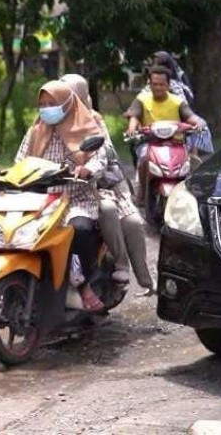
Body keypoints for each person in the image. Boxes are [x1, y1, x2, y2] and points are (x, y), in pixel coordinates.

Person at [14, 81, 108, 312]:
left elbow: (100, 158)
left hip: (76, 198)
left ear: (67, 103)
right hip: (41, 199)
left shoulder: (87, 128)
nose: (46, 109)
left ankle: (82, 285)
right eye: (42, 104)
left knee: (80, 230)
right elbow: (20, 162)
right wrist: (5, 176)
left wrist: (88, 169)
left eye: (52, 104)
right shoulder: (36, 130)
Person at [61, 74, 155, 294]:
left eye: (69, 94)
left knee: (132, 222)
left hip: (99, 184)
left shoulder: (92, 119)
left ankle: (142, 279)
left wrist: (88, 168)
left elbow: (103, 155)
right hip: (64, 186)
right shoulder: (48, 124)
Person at [124, 66, 204, 205]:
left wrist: (197, 123)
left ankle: (194, 195)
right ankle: (142, 193)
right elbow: (134, 116)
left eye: (162, 84)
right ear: (149, 84)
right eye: (155, 84)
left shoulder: (177, 101)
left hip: (176, 143)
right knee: (144, 159)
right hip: (149, 143)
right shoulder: (142, 99)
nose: (158, 87)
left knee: (193, 162)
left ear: (168, 85)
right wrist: (132, 127)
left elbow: (190, 116)